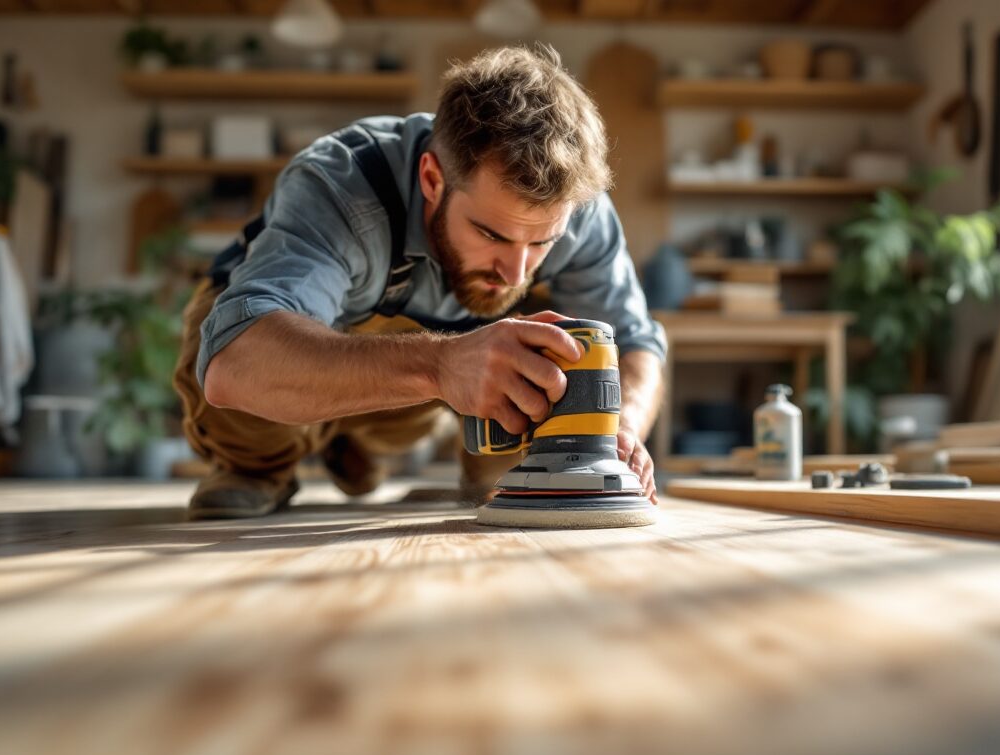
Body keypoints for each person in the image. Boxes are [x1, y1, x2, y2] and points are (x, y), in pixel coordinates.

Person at [173, 44, 667, 519]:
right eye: (491, 233)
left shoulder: (579, 210)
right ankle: (258, 467)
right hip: (290, 360)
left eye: (542, 242)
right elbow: (236, 362)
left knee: (531, 443)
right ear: (432, 179)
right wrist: (441, 365)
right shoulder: (342, 184)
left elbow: (632, 339)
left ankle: (357, 444)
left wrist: (620, 426)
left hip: (406, 394)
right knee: (239, 391)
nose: (516, 272)